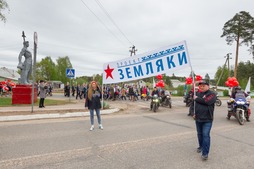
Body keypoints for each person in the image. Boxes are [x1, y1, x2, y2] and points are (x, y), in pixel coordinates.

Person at [193, 80, 216, 160]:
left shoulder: (212, 94)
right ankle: (201, 146)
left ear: (208, 86)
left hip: (207, 119)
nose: (202, 87)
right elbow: (194, 105)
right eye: (200, 86)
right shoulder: (198, 94)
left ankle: (205, 153)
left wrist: (196, 99)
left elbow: (207, 101)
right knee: (199, 134)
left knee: (205, 135)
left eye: (203, 85)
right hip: (198, 118)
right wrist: (194, 113)